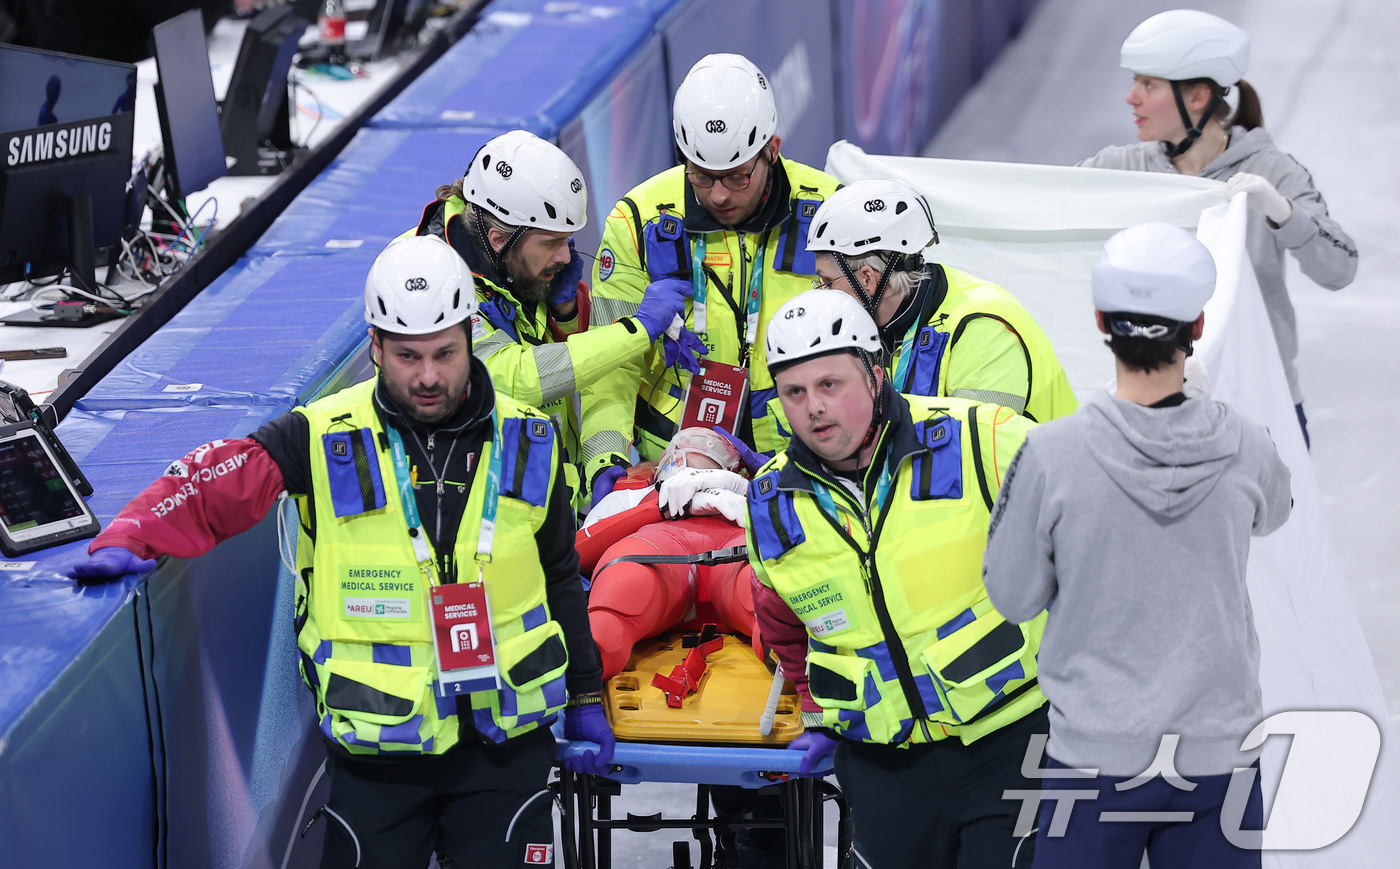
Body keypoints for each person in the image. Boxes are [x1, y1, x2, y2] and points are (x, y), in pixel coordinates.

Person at [68, 235, 615, 867]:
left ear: (471, 335)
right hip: (377, 759)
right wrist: (134, 531)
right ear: (376, 346)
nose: (430, 376)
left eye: (445, 352)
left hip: (506, 748)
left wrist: (584, 696)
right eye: (407, 356)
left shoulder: (531, 436)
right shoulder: (320, 435)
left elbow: (560, 576)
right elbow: (214, 480)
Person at [982, 222, 1292, 868]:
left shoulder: (1051, 455)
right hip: (1217, 754)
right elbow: (1277, 512)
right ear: (1197, 326)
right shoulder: (1247, 445)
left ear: (1100, 319)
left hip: (1093, 756)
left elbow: (1012, 595)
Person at [747, 289, 1048, 868]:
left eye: (830, 385)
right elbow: (783, 619)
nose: (813, 408)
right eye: (794, 392)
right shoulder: (770, 501)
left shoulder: (979, 437)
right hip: (882, 765)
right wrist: (815, 713)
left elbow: (1091, 529)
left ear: (876, 374)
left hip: (1009, 741)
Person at [1080, 9, 1358, 447]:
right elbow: (1039, 200)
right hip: (1149, 406)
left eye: (1148, 85)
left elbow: (1341, 267)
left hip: (1262, 402)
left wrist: (1283, 213)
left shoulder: (1273, 171)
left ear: (1197, 97)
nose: (1131, 97)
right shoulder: (1121, 167)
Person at [581, 52, 841, 506]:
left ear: (772, 151)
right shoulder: (636, 220)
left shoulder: (833, 211)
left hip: (800, 459)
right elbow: (610, 366)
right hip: (670, 463)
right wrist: (605, 459)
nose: (718, 195)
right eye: (701, 176)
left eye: (738, 177)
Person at [412, 129, 690, 495]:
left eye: (567, 240)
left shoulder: (514, 262)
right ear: (498, 238)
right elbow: (514, 378)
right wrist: (638, 329)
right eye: (551, 242)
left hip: (549, 492)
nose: (564, 256)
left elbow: (569, 362)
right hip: (480, 506)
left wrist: (565, 314)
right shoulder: (429, 277)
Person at [806, 178, 1078, 422]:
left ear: (867, 278)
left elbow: (970, 456)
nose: (823, 294)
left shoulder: (982, 329)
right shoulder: (876, 327)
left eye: (828, 282)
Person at [581, 426, 759, 680]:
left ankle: (790, 652)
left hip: (723, 558)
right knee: (623, 579)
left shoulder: (751, 495)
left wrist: (746, 492)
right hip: (660, 558)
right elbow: (578, 553)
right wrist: (662, 505)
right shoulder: (633, 497)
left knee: (767, 587)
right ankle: (594, 653)